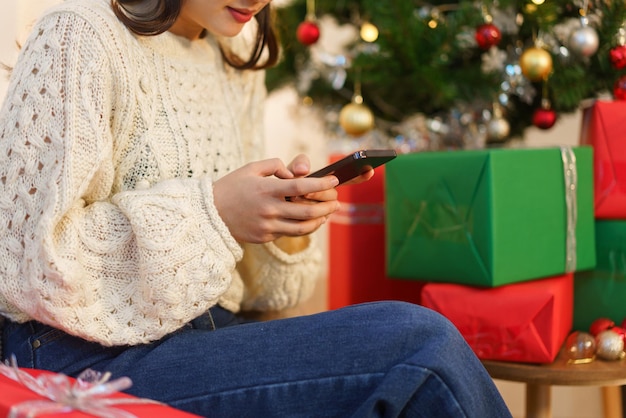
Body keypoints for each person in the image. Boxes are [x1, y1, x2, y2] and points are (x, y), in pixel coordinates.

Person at [0, 0, 512, 416]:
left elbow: (249, 284)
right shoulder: (77, 36)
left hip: (206, 330)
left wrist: (283, 221)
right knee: (421, 348)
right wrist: (215, 212)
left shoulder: (234, 58)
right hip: (74, 349)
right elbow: (22, 260)